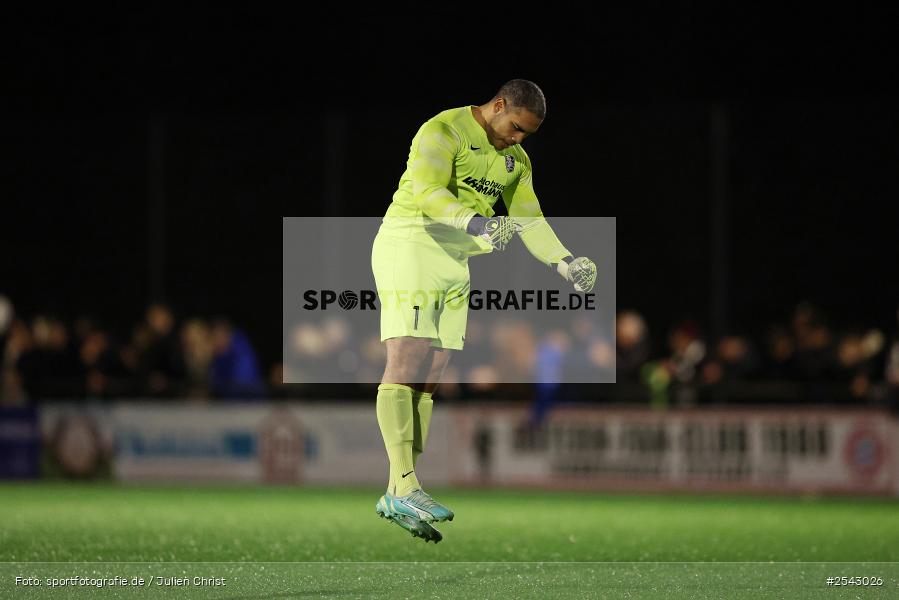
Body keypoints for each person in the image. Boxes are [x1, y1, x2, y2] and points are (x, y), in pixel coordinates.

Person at [370, 79, 597, 543]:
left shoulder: (516, 160)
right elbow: (429, 192)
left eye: (526, 135)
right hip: (411, 243)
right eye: (515, 127)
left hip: (457, 259)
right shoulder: (443, 131)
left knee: (432, 373)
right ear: (497, 106)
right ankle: (406, 485)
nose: (517, 139)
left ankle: (396, 488)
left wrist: (565, 261)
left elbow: (529, 217)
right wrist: (475, 221)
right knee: (407, 359)